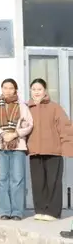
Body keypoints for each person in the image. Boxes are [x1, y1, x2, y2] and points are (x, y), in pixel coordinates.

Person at [0, 78, 33, 221]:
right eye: (5, 88)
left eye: (10, 88)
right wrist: (2, 134)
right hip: (1, 145)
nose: (7, 90)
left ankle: (17, 211)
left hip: (18, 145)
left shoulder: (22, 106)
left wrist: (15, 134)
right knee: (1, 179)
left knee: (17, 178)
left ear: (15, 90)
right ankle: (5, 211)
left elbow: (29, 124)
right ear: (1, 89)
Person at [27, 78, 73, 221]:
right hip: (35, 151)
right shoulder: (27, 108)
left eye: (39, 89)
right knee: (38, 182)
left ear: (45, 91)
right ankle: (40, 210)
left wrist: (68, 147)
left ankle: (53, 212)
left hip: (53, 150)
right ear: (30, 91)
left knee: (53, 181)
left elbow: (65, 127)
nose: (36, 92)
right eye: (34, 89)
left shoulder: (55, 107)